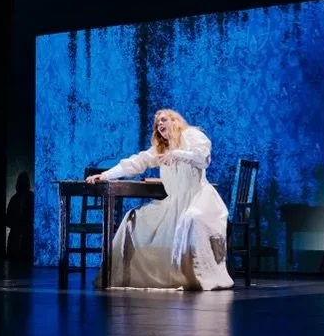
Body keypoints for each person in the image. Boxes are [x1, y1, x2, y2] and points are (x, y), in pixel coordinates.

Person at [86, 109, 234, 291]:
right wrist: (106, 175)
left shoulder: (192, 135)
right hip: (174, 203)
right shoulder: (162, 148)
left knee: (192, 219)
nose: (160, 125)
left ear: (175, 120)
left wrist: (177, 154)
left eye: (163, 120)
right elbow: (137, 162)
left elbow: (203, 159)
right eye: (157, 124)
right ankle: (125, 276)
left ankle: (196, 278)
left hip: (200, 199)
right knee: (134, 218)